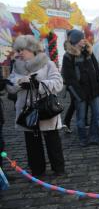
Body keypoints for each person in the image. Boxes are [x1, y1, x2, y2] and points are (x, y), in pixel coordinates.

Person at [8, 35, 65, 177]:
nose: (20, 53)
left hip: (46, 109)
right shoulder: (17, 66)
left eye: (23, 49)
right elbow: (10, 86)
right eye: (18, 50)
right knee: (32, 143)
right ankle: (37, 170)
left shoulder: (47, 64)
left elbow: (58, 83)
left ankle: (59, 169)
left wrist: (38, 85)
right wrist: (20, 83)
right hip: (27, 111)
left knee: (52, 141)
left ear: (32, 49)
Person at [62, 30, 99, 147]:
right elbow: (69, 79)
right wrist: (79, 95)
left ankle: (94, 137)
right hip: (80, 93)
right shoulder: (68, 56)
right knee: (81, 118)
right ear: (75, 41)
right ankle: (83, 138)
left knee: (97, 115)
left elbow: (96, 70)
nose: (84, 40)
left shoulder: (89, 52)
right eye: (81, 39)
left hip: (94, 90)